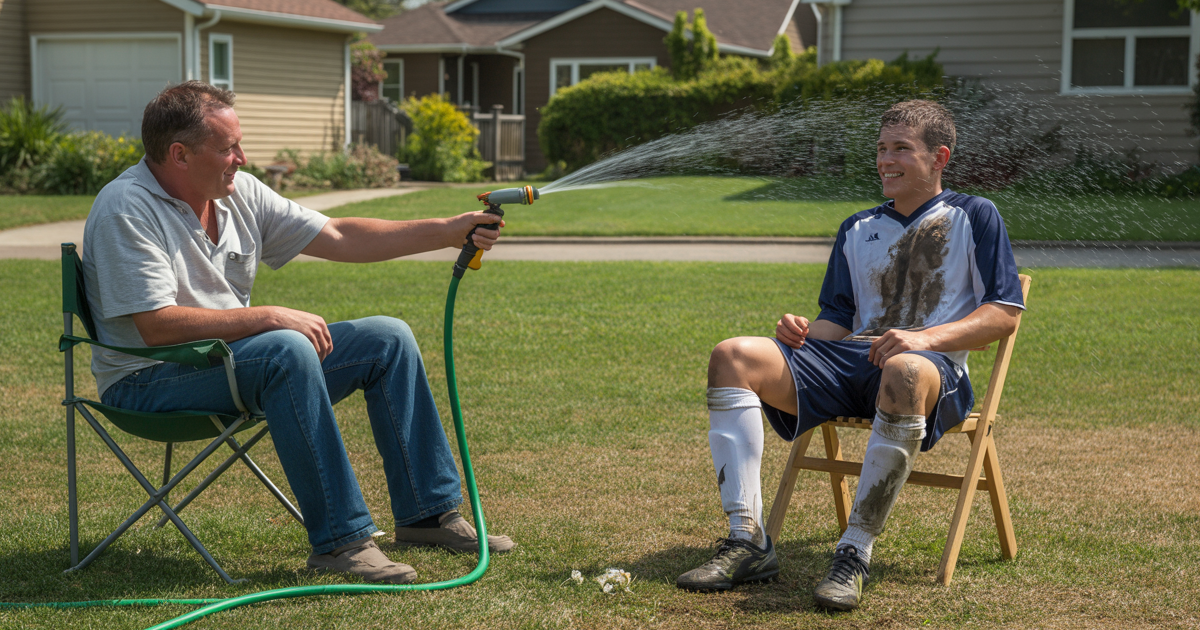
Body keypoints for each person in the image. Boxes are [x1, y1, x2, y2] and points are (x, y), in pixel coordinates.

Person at [82, 81, 514, 585]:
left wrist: (447, 229)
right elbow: (156, 327)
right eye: (227, 148)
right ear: (179, 154)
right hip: (148, 381)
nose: (241, 158)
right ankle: (341, 542)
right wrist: (266, 316)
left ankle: (426, 515)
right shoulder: (126, 207)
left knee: (387, 338)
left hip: (232, 364)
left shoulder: (235, 193)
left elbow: (335, 234)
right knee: (284, 348)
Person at [676, 100, 1025, 610]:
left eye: (901, 149)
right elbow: (836, 321)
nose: (886, 159)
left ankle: (853, 553)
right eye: (882, 149)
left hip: (931, 371)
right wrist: (800, 332)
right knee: (733, 355)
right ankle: (747, 540)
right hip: (851, 361)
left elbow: (1004, 313)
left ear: (939, 157)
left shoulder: (975, 215)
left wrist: (921, 339)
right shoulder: (857, 227)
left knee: (904, 367)